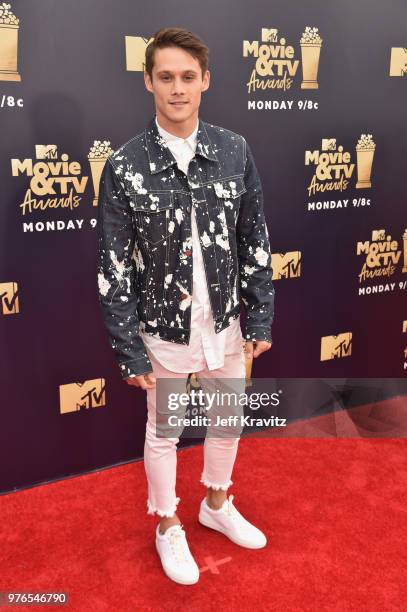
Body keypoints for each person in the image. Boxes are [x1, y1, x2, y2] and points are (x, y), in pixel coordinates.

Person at [97, 26, 275, 585]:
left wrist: (260, 315)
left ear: (206, 82)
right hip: (163, 330)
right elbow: (113, 267)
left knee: (228, 418)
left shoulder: (234, 150)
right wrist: (129, 351)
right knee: (165, 430)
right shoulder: (125, 165)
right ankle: (167, 521)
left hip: (224, 323)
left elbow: (255, 238)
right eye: (166, 77)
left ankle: (216, 504)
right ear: (148, 81)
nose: (178, 89)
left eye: (188, 77)